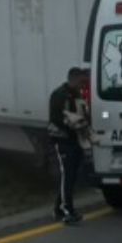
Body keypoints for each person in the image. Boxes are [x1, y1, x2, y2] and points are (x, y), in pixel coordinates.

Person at [48, 67, 87, 225]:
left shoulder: (77, 95)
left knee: (71, 176)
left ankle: (59, 208)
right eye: (81, 81)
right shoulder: (59, 95)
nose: (82, 85)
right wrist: (72, 123)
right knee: (67, 174)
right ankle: (67, 211)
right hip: (62, 139)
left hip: (75, 138)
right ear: (73, 79)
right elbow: (56, 118)